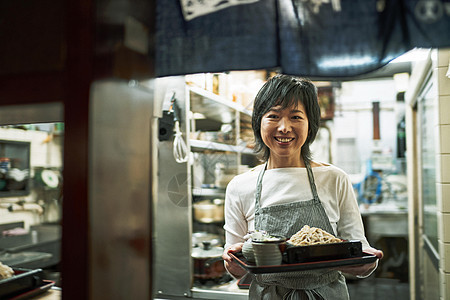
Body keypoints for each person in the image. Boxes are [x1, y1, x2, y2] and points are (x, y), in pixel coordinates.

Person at [222, 74, 383, 299]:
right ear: (259, 121)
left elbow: (357, 250)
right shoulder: (240, 186)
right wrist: (233, 265)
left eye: (296, 117)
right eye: (274, 116)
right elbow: (238, 264)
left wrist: (367, 263)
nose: (284, 127)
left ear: (311, 124)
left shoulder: (335, 178)